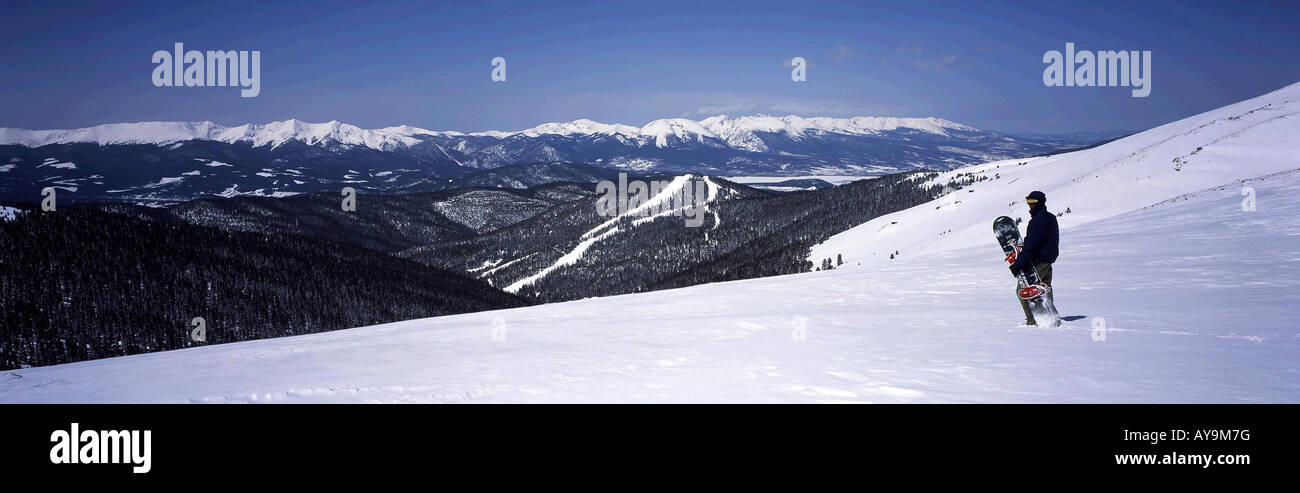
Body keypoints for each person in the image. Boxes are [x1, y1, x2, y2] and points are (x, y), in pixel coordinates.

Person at [1010, 190, 1059, 325]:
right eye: (1028, 202)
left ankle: (1032, 320)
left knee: (1022, 290)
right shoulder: (1051, 217)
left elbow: (1031, 245)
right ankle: (1049, 316)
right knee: (1044, 288)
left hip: (1038, 261)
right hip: (1048, 260)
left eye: (1032, 202)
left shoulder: (1037, 221)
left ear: (1039, 203)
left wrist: (1018, 265)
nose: (1029, 205)